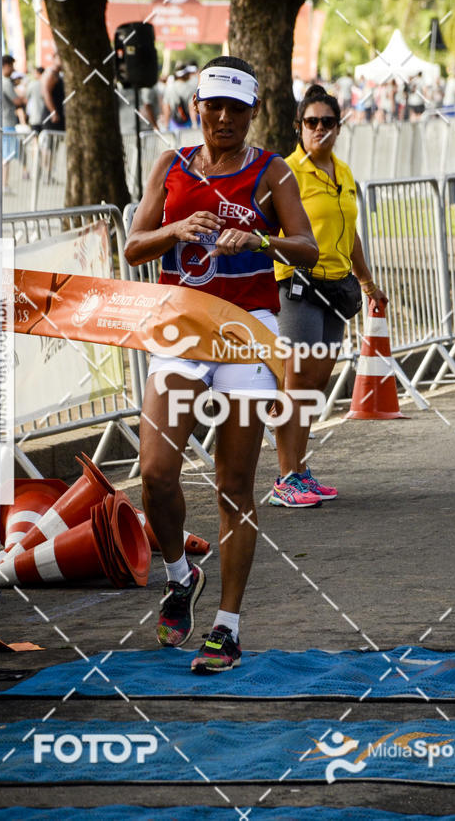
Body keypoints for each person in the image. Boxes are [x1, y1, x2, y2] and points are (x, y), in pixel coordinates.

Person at [124, 56, 318, 672]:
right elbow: (133, 248)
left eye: (237, 108)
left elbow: (309, 248)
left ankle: (227, 625)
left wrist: (260, 238)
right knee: (155, 471)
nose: (225, 118)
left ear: (254, 113)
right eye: (215, 107)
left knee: (235, 484)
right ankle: (180, 574)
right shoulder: (172, 165)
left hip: (245, 333)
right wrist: (177, 228)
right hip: (181, 326)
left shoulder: (272, 171)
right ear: (197, 108)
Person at [271, 84, 388, 507]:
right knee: (298, 381)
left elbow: (350, 233)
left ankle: (299, 470)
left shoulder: (343, 171)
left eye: (328, 122)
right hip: (298, 286)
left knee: (317, 384)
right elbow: (264, 228)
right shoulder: (286, 172)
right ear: (299, 127)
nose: (319, 129)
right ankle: (285, 477)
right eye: (311, 122)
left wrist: (368, 281)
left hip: (336, 289)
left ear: (338, 127)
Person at [1, 54, 25, 194]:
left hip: (4, 122)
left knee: (4, 155)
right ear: (6, 65)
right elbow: (17, 101)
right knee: (7, 156)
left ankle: (4, 184)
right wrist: (22, 97)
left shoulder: (2, 81)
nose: (13, 69)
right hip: (7, 123)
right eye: (12, 66)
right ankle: (4, 185)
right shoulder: (5, 82)